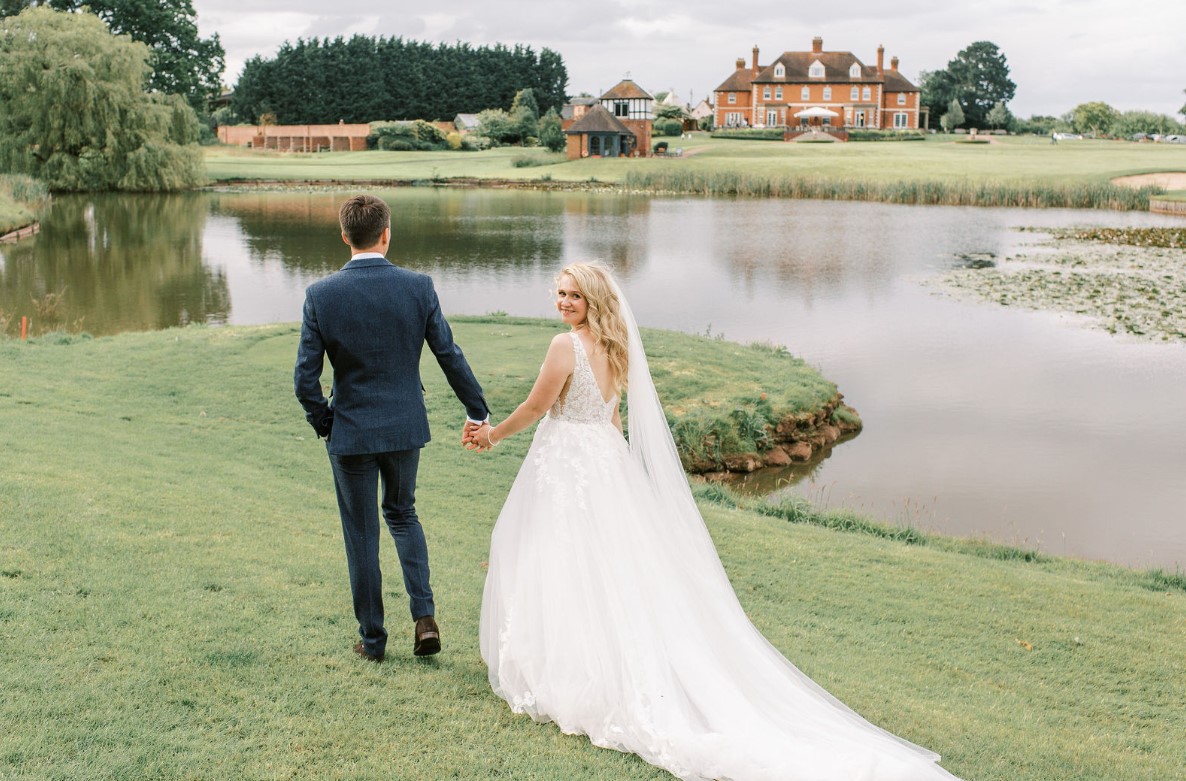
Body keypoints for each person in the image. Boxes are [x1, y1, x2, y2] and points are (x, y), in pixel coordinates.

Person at [465, 262, 962, 781]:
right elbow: (612, 416)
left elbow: (536, 406)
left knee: (563, 556)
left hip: (570, 459)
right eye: (559, 293)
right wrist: (618, 470)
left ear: (593, 299)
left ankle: (571, 672)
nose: (564, 302)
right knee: (600, 565)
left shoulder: (563, 347)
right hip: (603, 460)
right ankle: (581, 663)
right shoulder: (618, 346)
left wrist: (491, 434)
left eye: (573, 295)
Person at [295, 194, 488, 663]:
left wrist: (326, 420)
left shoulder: (321, 294)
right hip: (404, 426)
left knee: (361, 533)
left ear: (344, 236)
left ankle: (374, 641)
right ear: (387, 233)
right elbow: (449, 354)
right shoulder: (418, 286)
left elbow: (305, 377)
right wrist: (477, 410)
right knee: (402, 514)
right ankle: (424, 617)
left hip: (351, 433)